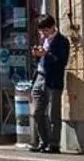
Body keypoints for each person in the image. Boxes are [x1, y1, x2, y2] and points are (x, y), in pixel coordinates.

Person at [29, 14, 69, 153]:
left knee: (53, 113)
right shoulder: (42, 40)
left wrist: (46, 54)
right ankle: (43, 141)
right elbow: (40, 60)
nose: (43, 33)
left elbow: (61, 61)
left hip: (53, 79)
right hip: (39, 76)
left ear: (53, 27)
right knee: (37, 112)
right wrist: (36, 55)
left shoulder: (62, 41)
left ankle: (53, 144)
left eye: (45, 30)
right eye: (41, 31)